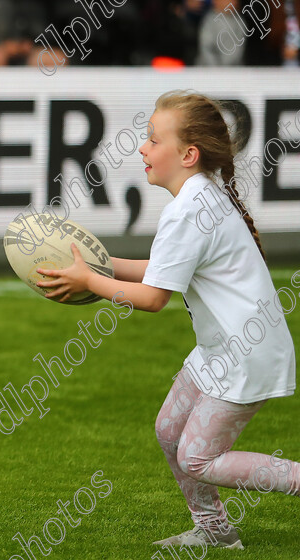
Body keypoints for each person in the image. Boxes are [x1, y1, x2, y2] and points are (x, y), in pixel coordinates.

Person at [36, 91, 298, 550]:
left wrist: (89, 282)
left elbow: (154, 297)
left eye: (154, 139)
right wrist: (97, 265)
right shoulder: (197, 198)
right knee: (169, 431)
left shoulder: (191, 208)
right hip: (227, 348)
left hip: (245, 355)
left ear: (188, 154)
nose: (142, 148)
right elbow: (162, 270)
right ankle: (215, 532)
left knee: (197, 458)